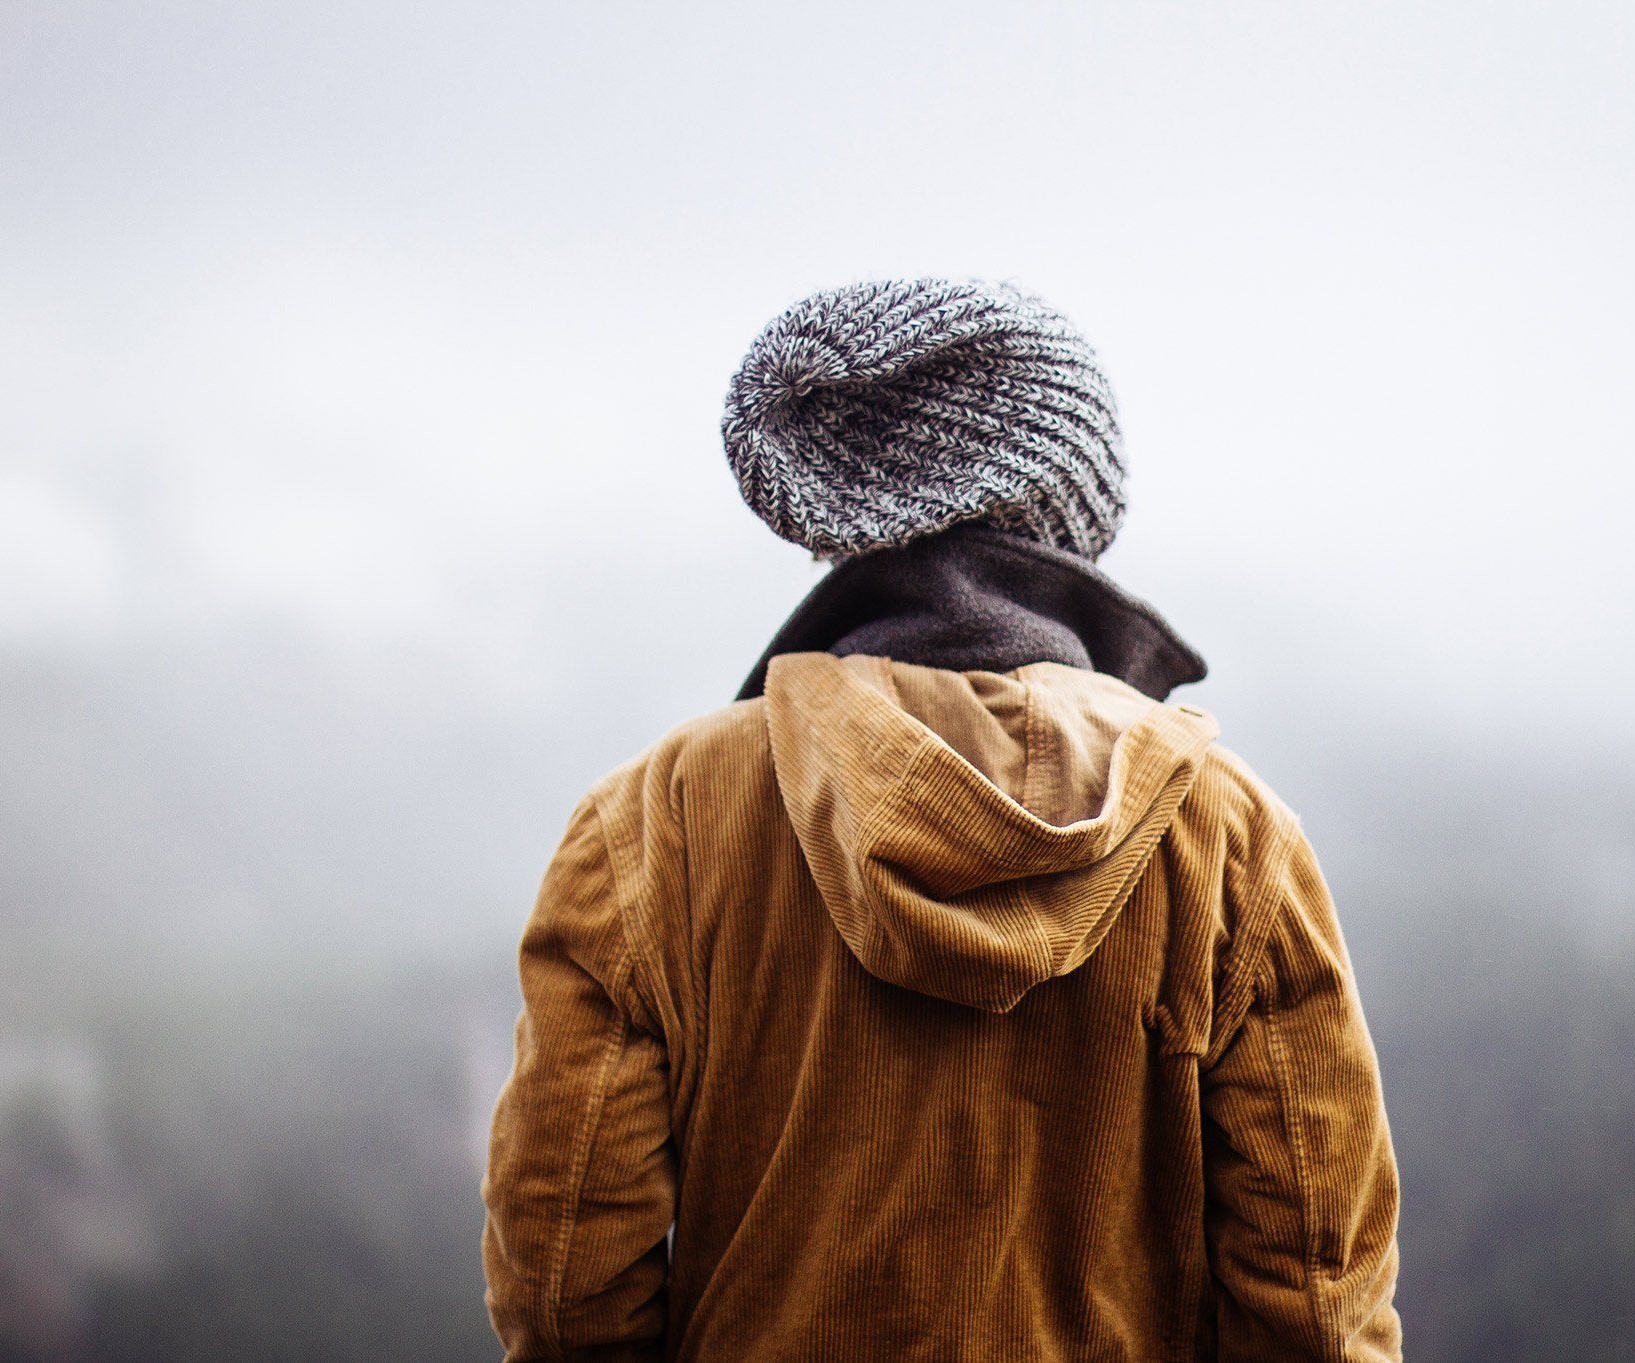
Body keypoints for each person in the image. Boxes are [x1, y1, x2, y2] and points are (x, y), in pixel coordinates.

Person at [481, 278, 1401, 1361]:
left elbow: (561, 1285)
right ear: (1072, 512)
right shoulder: (1229, 836)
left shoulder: (656, 824)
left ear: (849, 526)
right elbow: (1316, 1303)